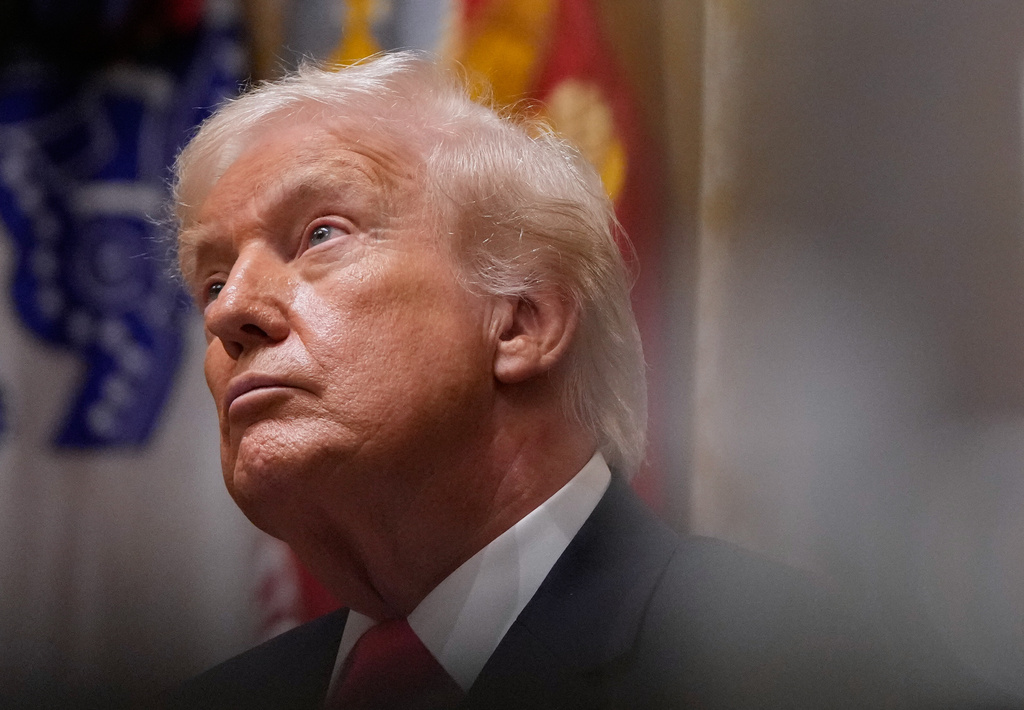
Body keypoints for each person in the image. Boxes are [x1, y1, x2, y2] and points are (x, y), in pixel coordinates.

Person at [163, 52, 986, 710]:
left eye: (319, 234)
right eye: (210, 279)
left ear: (521, 321)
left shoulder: (785, 668)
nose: (229, 311)